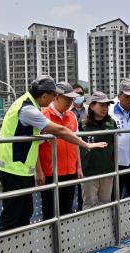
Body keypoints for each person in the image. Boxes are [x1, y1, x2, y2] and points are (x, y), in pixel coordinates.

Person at [0, 75, 106, 231]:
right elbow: (58, 130)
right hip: (14, 168)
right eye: (53, 96)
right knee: (13, 216)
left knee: (25, 212)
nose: (54, 99)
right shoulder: (28, 110)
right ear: (45, 95)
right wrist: (85, 144)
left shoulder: (28, 104)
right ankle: (5, 251)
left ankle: (19, 249)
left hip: (21, 168)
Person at [37, 82, 81, 220]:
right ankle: (51, 241)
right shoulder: (43, 116)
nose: (70, 102)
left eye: (71, 99)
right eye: (67, 98)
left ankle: (65, 240)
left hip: (70, 172)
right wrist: (39, 171)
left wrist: (78, 166)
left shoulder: (72, 116)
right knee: (50, 212)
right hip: (51, 173)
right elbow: (35, 146)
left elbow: (76, 143)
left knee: (67, 210)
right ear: (56, 97)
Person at [80, 92, 116, 209]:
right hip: (89, 171)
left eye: (107, 105)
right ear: (92, 106)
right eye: (102, 105)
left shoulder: (111, 123)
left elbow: (115, 146)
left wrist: (114, 167)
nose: (105, 108)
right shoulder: (83, 124)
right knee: (89, 205)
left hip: (107, 170)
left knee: (106, 203)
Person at [70, 84, 86, 211]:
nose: (78, 96)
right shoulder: (68, 113)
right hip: (72, 152)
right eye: (75, 94)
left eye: (80, 94)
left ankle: (82, 209)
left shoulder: (89, 110)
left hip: (86, 152)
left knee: (84, 184)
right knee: (71, 184)